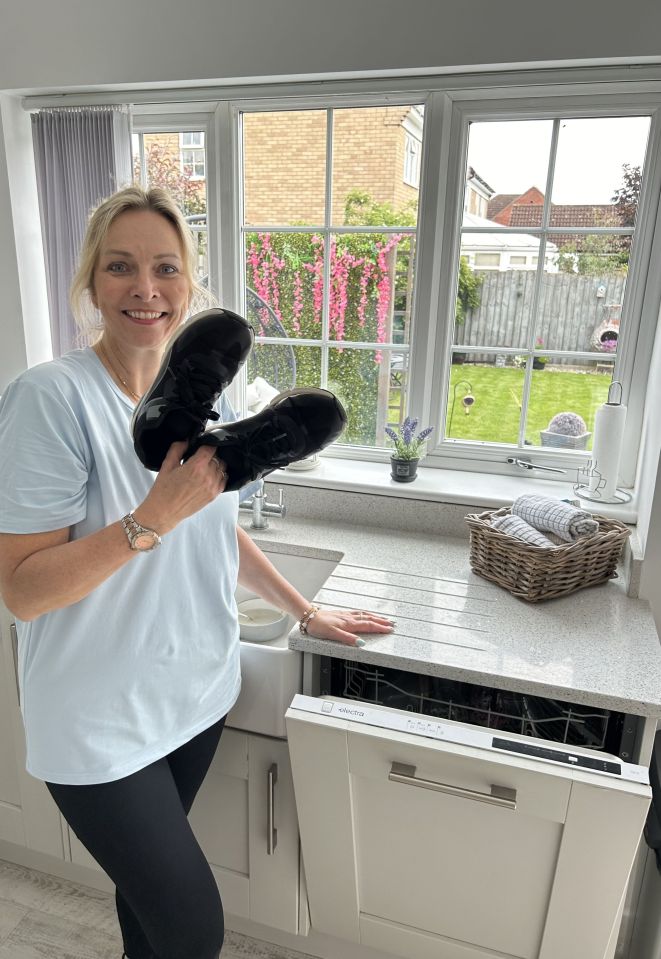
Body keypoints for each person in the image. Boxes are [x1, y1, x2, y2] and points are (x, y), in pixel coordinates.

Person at [0, 185, 394, 959]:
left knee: (147, 910)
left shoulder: (213, 398)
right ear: (90, 283)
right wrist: (154, 515)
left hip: (196, 690)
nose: (144, 287)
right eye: (120, 266)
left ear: (189, 285)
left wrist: (303, 609)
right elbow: (21, 588)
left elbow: (217, 530)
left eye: (164, 267)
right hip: (97, 718)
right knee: (192, 928)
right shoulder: (51, 398)